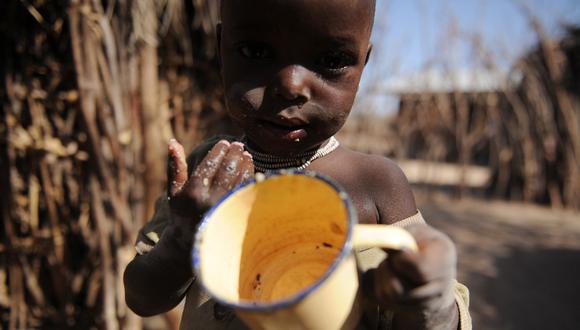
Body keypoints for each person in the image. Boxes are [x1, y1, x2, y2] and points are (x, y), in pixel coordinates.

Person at [124, 0, 472, 329]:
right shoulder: (207, 173)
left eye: (332, 59)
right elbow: (142, 296)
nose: (290, 86)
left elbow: (438, 316)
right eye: (256, 51)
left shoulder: (376, 185)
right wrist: (184, 237)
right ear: (221, 49)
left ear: (363, 65)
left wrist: (430, 300)